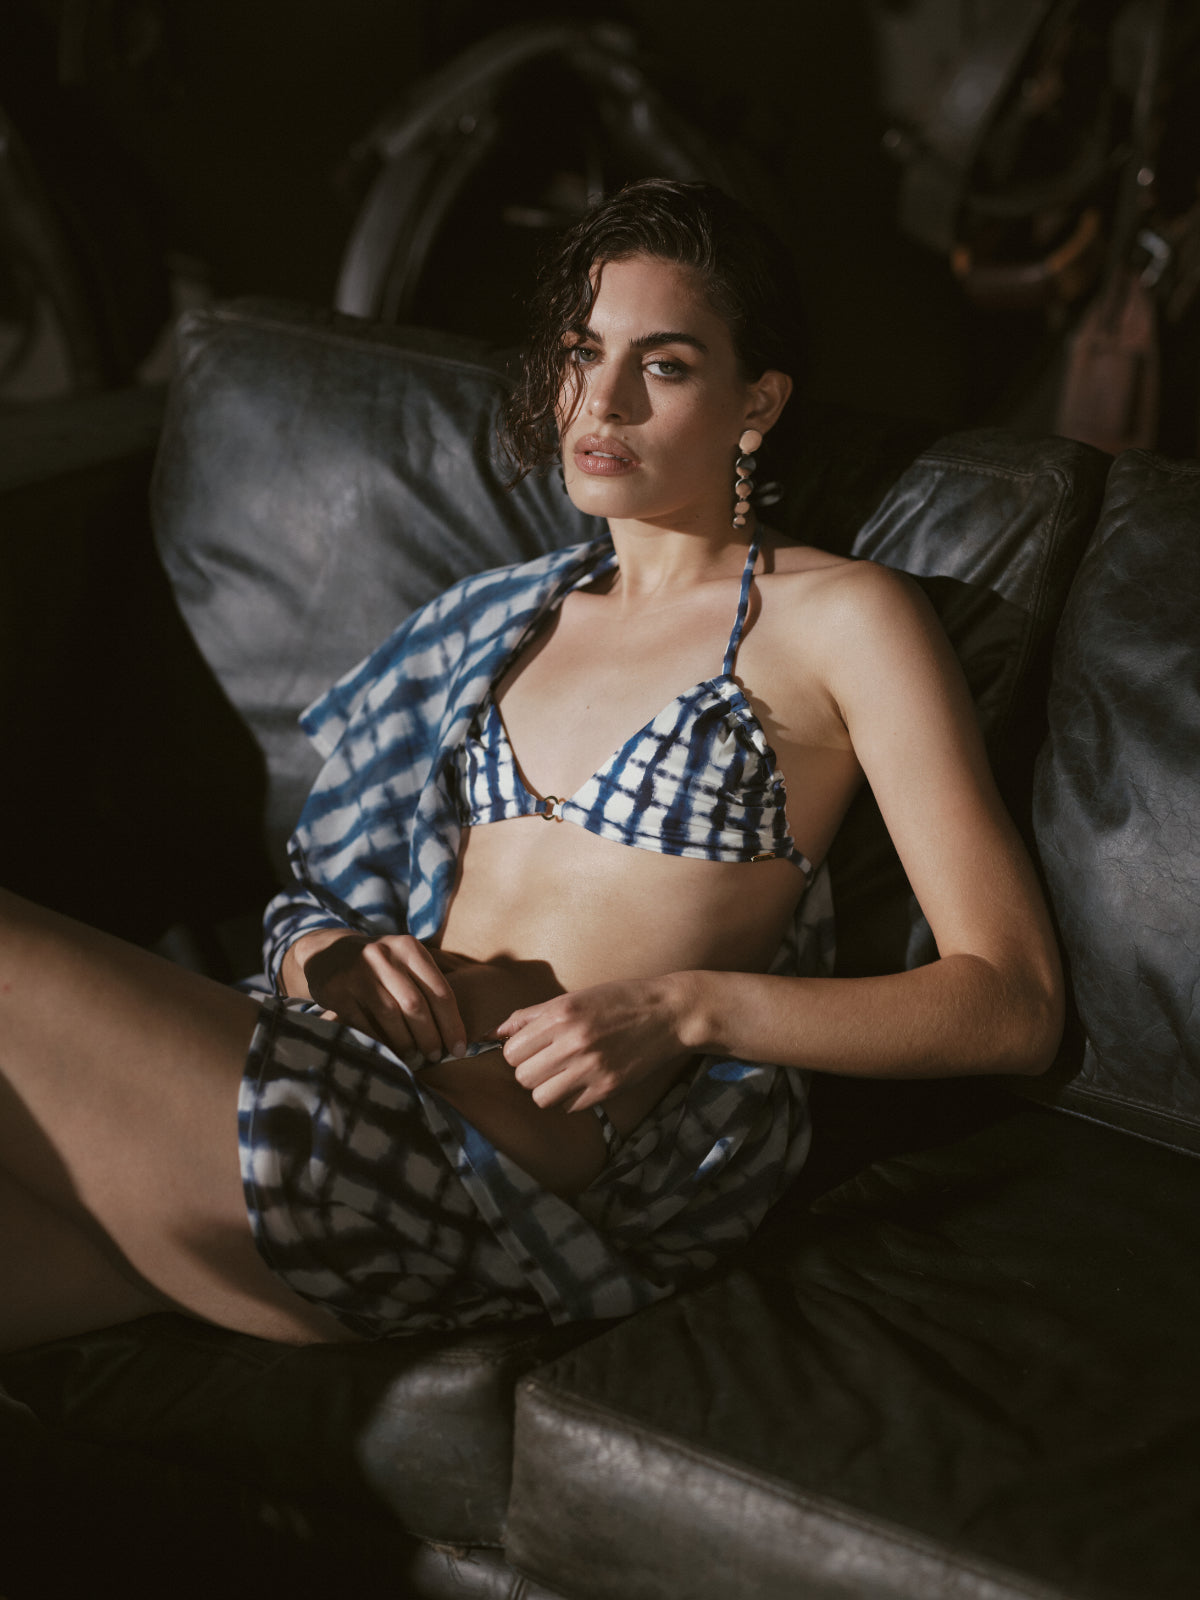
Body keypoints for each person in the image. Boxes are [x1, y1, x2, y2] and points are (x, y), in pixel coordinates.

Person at [0, 180, 1063, 1355]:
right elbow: (323, 895)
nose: (602, 401)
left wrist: (692, 1008)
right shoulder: (500, 621)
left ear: (756, 403)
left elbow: (1010, 1001)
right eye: (581, 352)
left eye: (664, 365)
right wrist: (330, 955)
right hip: (324, 1071)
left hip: (466, 1176)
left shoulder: (844, 618)